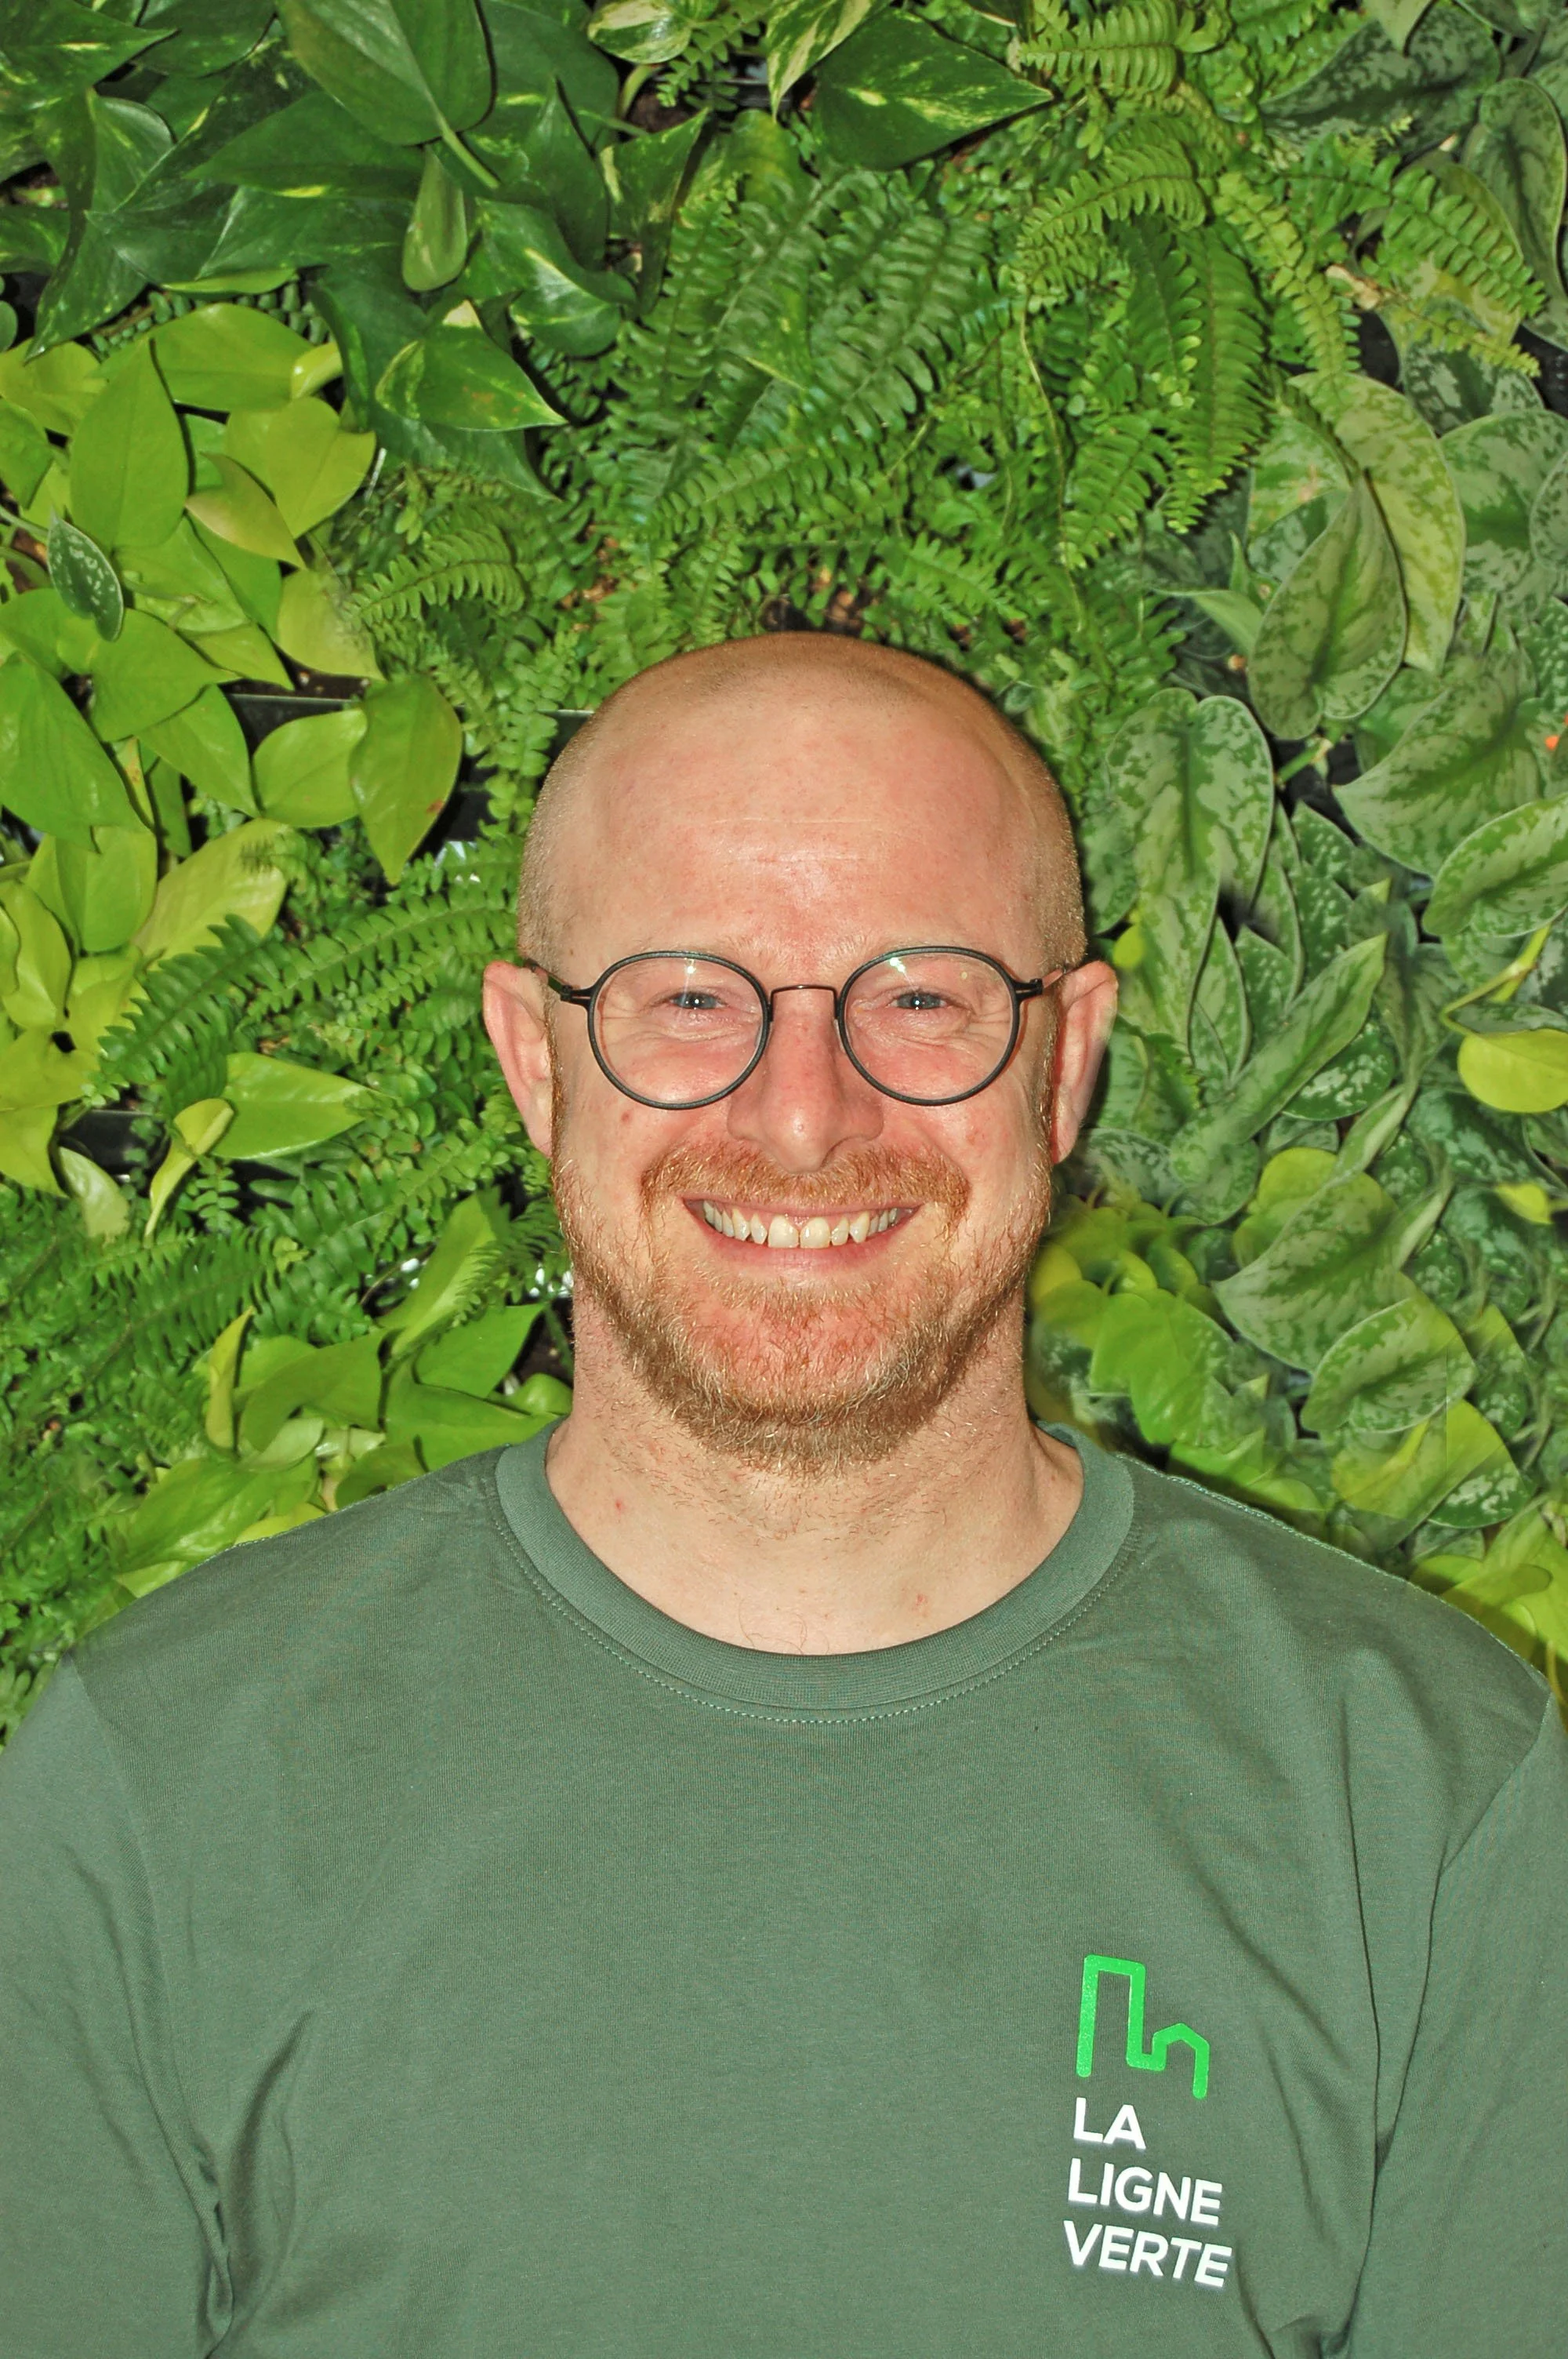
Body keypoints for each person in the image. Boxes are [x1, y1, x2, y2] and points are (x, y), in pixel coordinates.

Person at [1, 633, 1563, 2358]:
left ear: (1062, 1065)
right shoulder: (159, 1787)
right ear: (536, 1061)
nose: (805, 1116)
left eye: (918, 997)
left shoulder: (1420, 1802)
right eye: (686, 996)